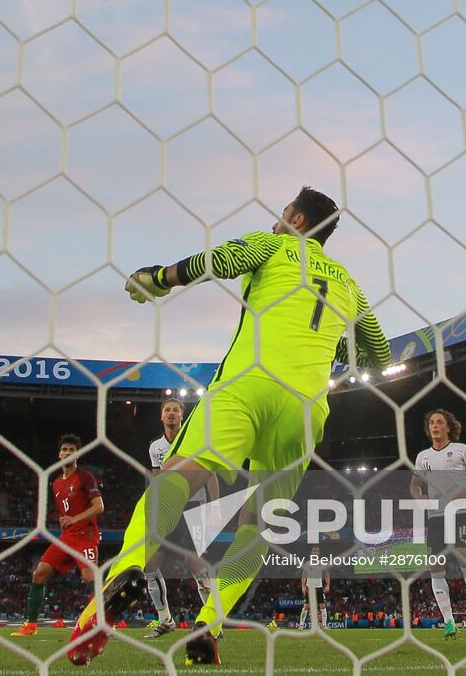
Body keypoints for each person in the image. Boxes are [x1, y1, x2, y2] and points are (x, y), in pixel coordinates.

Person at [70, 186, 391, 666]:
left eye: (284, 215)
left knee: (180, 471)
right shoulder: (349, 284)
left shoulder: (275, 245)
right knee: (258, 523)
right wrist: (326, 342)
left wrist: (158, 278)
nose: (277, 222)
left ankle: (129, 571)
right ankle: (210, 621)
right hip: (305, 410)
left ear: (299, 222)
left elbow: (220, 259)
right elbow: (379, 355)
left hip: (249, 382)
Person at [10, 434, 105, 636]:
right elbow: (66, 512)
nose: (68, 453)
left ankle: (104, 621)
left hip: (84, 536)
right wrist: (66, 521)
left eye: (72, 450)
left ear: (77, 454)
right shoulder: (55, 483)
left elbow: (99, 507)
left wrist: (75, 518)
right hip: (66, 537)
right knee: (40, 573)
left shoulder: (85, 476)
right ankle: (31, 625)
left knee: (89, 576)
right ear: (59, 454)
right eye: (65, 450)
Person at [410, 409, 466, 639]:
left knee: (465, 556)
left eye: (440, 422)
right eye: (431, 422)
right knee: (436, 566)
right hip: (435, 517)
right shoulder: (422, 457)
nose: (435, 425)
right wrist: (419, 497)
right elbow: (414, 485)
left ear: (448, 427)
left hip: (460, 511)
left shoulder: (462, 450)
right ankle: (449, 622)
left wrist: (463, 492)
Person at [142, 399, 217, 638]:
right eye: (167, 410)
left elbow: (210, 474)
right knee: (150, 565)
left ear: (182, 416)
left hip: (194, 506)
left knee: (194, 561)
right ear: (161, 417)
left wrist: (214, 507)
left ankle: (212, 621)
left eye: (176, 410)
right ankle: (165, 619)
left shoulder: (194, 440)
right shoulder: (155, 447)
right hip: (169, 509)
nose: (171, 414)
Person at [298, 564, 330, 630]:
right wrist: (303, 586)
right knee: (306, 606)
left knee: (322, 605)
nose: (315, 553)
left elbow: (326, 574)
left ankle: (324, 625)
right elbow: (304, 575)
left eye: (316, 552)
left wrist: (327, 585)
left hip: (319, 588)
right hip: (309, 587)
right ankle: (301, 625)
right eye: (314, 552)